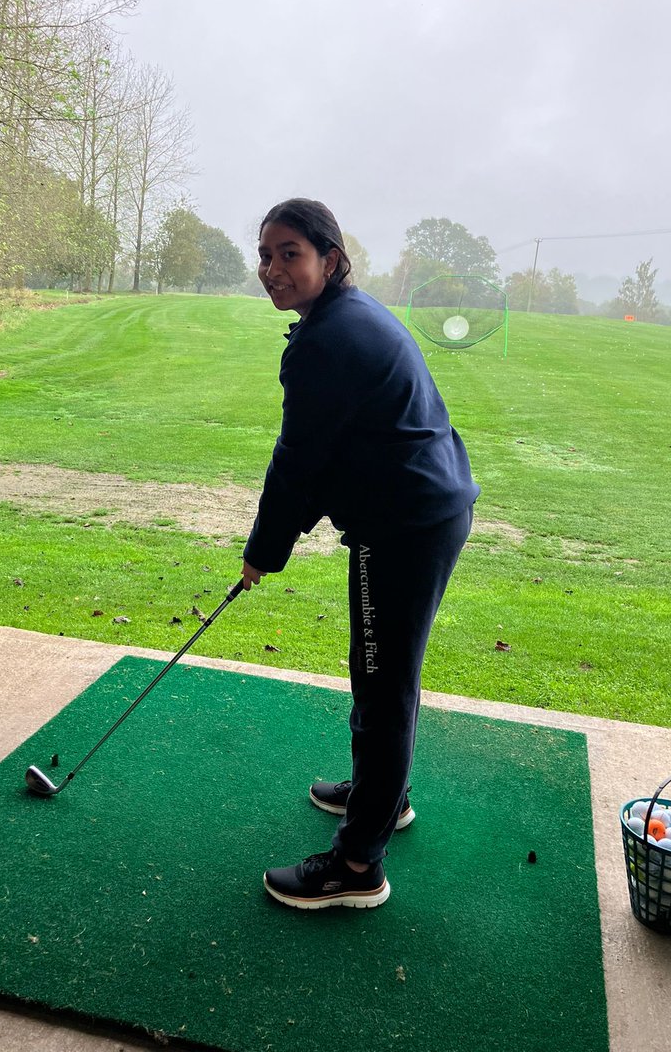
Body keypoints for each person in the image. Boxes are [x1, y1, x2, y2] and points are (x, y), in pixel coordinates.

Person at [242, 198, 479, 910]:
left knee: (383, 684)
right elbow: (331, 455)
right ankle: (385, 795)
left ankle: (357, 866)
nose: (273, 268)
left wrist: (264, 551)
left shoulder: (327, 341)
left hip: (405, 526)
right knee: (377, 671)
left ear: (330, 260)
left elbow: (299, 464)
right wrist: (278, 541)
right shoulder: (345, 316)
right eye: (265, 254)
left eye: (290, 254)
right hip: (419, 510)